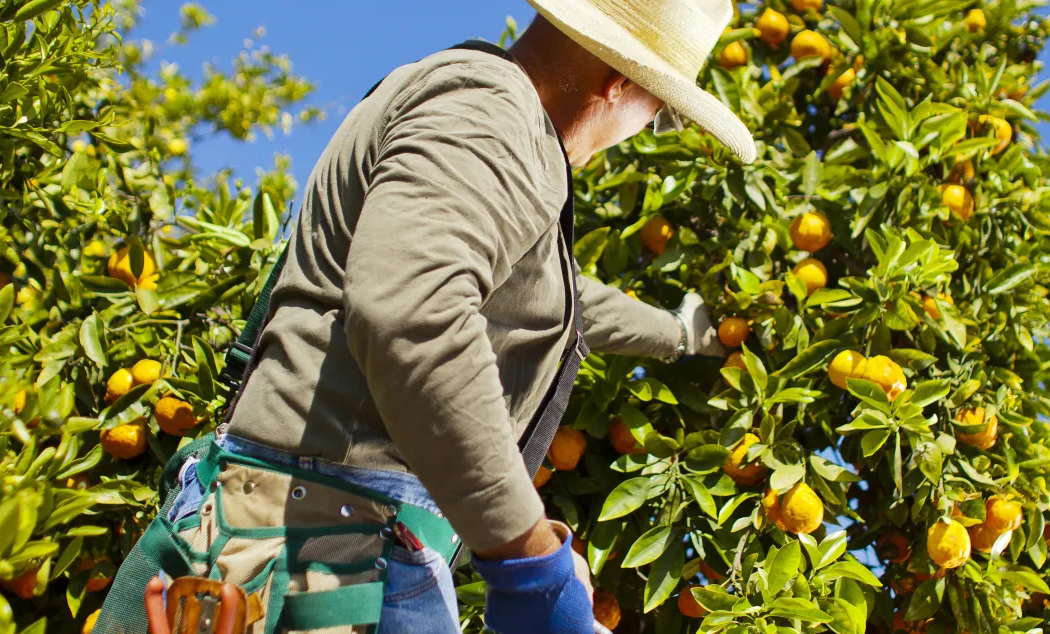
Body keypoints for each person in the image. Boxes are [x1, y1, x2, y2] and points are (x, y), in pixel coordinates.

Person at [95, 1, 753, 632]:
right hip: (325, 550)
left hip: (301, 534)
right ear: (618, 83)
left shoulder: (473, 113)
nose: (646, 131)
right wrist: (529, 555)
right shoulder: (491, 117)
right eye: (660, 112)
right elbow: (414, 312)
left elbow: (556, 303)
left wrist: (679, 335)